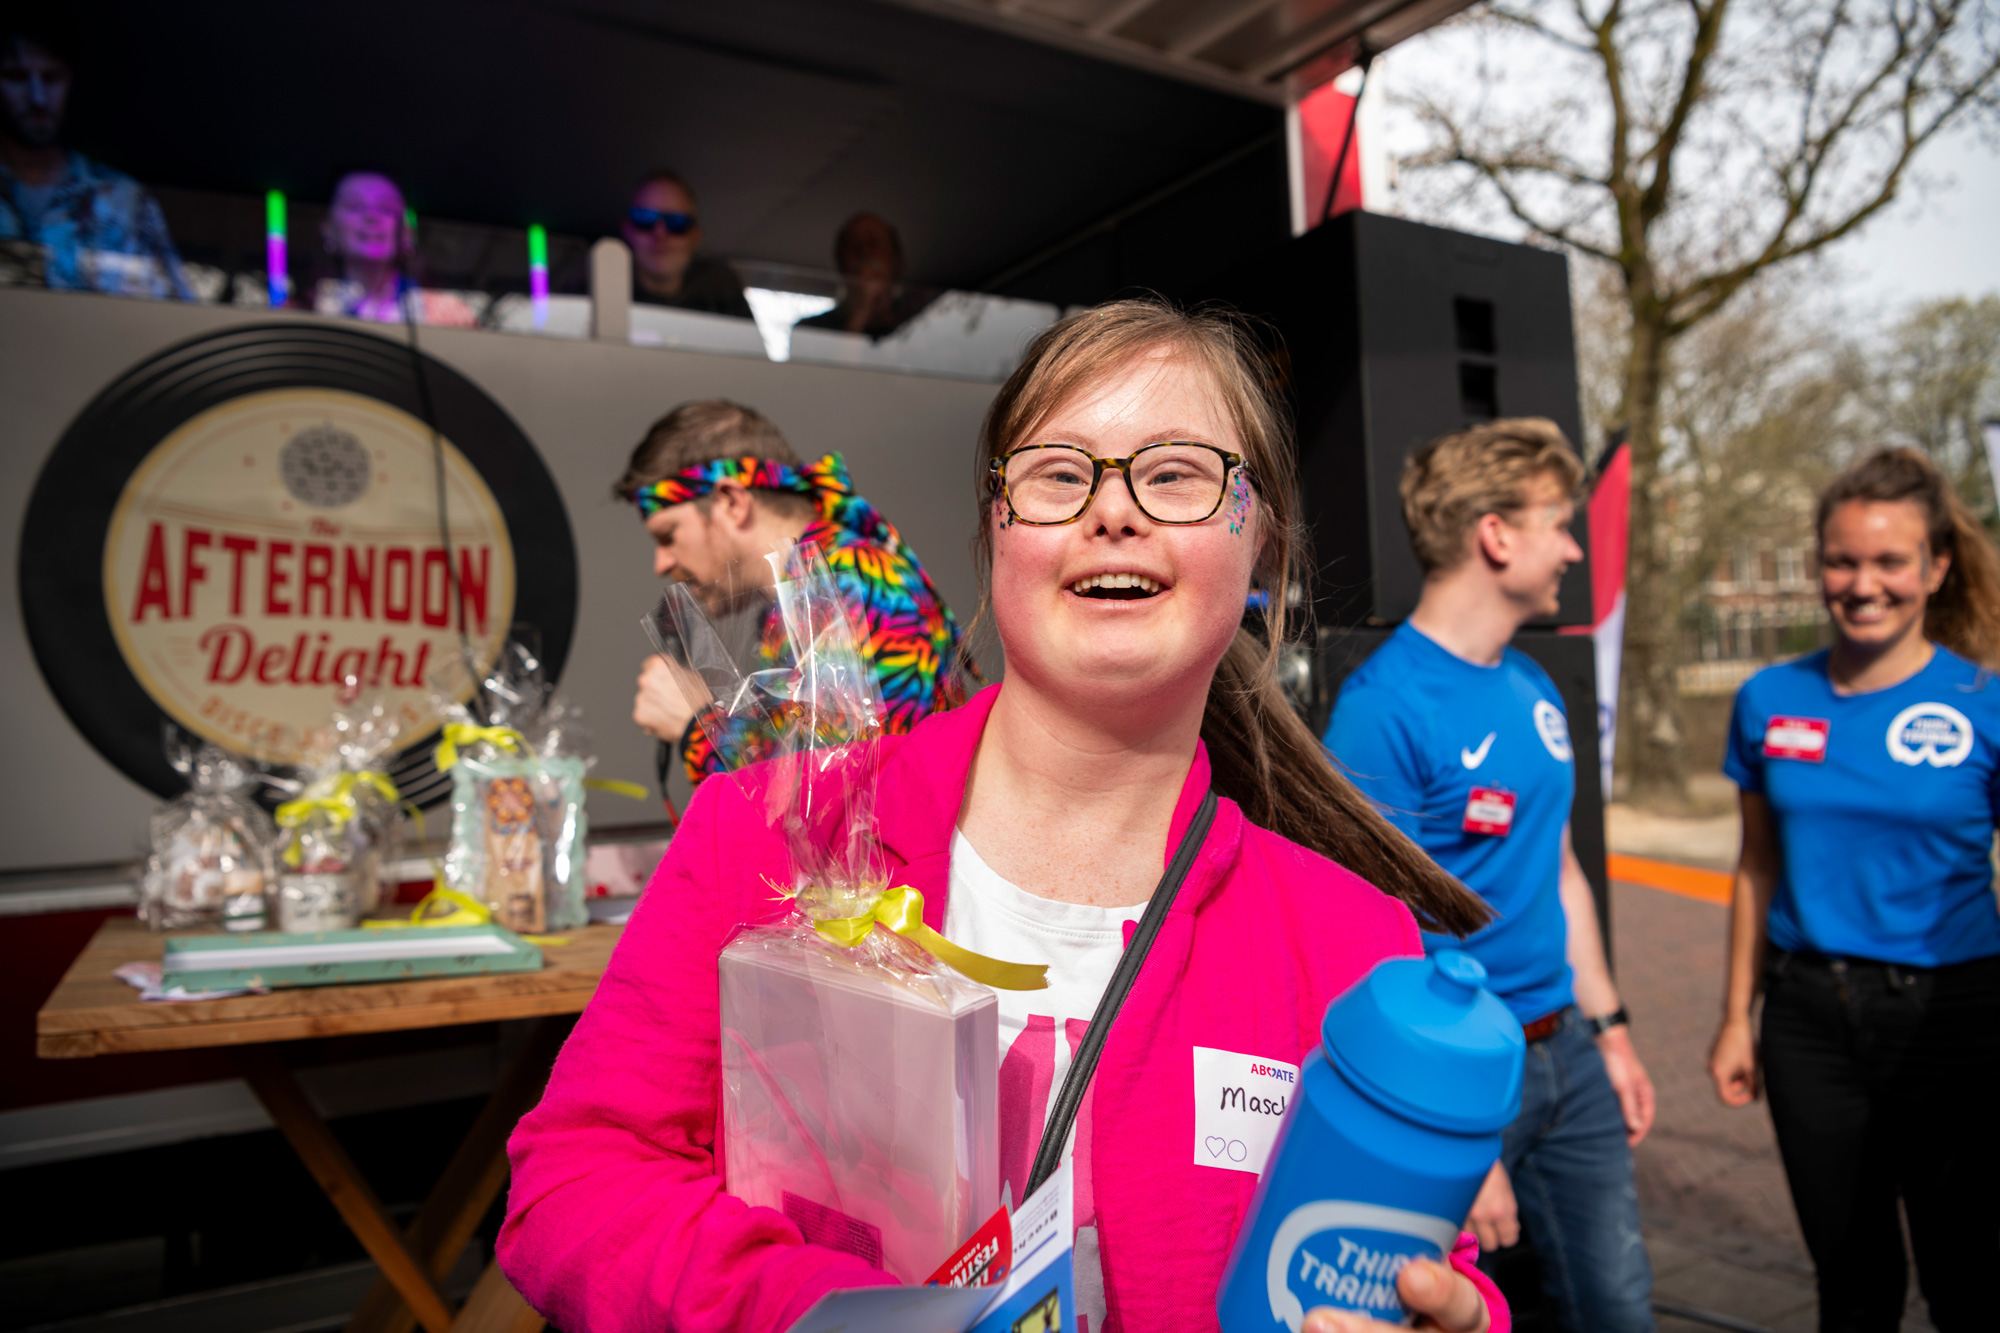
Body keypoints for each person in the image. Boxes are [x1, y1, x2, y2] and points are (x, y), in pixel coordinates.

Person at [501, 300, 1510, 1333]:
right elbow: (570, 1187)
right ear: (996, 529)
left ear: (1259, 543)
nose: (1111, 511)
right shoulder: (748, 839)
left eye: (1173, 474)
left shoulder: (1348, 942)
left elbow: (1418, 1265)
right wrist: (830, 1315)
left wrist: (1449, 1316)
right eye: (1058, 474)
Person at [1323, 419, 1658, 1333]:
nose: (1575, 546)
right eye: (1559, 520)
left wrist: (1613, 1030)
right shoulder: (1381, 710)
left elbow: (1561, 873)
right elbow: (1363, 933)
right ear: (1497, 535)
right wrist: (1453, 1132)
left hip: (1570, 1060)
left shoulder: (1534, 689)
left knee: (1620, 1312)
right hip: (1463, 1081)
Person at [1708, 447, 2000, 1333]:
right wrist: (1733, 1017)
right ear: (1818, 564)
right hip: (1808, 1021)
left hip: (1953, 1015)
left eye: (1888, 561)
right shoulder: (1767, 697)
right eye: (1843, 559)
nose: (1863, 582)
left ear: (1934, 566)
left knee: (1970, 1276)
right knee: (1852, 1279)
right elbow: (1757, 862)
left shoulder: (1982, 700)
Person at [616, 400, 965, 784]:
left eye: (668, 535)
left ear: (731, 502)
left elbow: (835, 802)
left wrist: (697, 728)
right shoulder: (811, 588)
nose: (661, 564)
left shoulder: (843, 581)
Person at [0, 12, 191, 300]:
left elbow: (174, 318)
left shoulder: (122, 201)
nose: (37, 98)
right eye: (17, 77)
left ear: (70, 81)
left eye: (51, 78)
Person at [310, 170, 475, 326]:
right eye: (355, 206)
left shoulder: (447, 316)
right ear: (328, 227)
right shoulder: (303, 308)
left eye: (386, 209)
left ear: (405, 231)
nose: (371, 217)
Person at [622, 169, 750, 319]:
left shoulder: (722, 289)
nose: (660, 234)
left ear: (695, 237)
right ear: (627, 229)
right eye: (645, 218)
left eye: (677, 223)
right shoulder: (596, 284)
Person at [797, 211, 929, 339]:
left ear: (896, 261)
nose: (865, 251)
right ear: (840, 263)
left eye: (875, 243)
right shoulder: (810, 331)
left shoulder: (926, 321)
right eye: (853, 245)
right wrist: (859, 315)